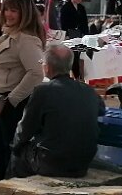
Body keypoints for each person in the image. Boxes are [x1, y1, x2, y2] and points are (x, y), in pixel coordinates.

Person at [9, 44, 104, 178]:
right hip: (83, 163)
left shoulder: (43, 91)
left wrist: (15, 146)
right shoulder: (89, 91)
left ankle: (12, 186)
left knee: (18, 154)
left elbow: (25, 129)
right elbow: (101, 110)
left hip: (52, 163)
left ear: (47, 67)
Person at [0, 0, 46, 181]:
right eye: (7, 9)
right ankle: (4, 183)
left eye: (14, 11)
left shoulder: (26, 39)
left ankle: (9, 186)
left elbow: (36, 73)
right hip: (2, 101)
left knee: (9, 149)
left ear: (24, 13)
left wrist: (12, 100)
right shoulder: (8, 35)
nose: (8, 14)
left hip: (14, 104)